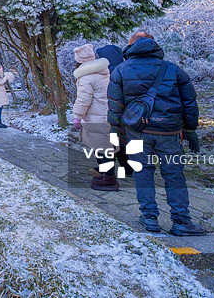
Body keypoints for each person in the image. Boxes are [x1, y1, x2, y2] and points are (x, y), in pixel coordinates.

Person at [108, 32, 206, 236]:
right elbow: (189, 102)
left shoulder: (120, 70)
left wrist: (115, 133)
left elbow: (115, 106)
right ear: (156, 48)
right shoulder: (172, 69)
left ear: (131, 48)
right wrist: (191, 130)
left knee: (142, 172)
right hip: (169, 131)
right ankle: (181, 221)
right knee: (174, 175)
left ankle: (149, 217)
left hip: (137, 132)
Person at [71, 44, 117, 191]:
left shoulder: (85, 77)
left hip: (95, 117)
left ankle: (109, 178)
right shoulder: (103, 71)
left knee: (102, 148)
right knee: (104, 145)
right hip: (107, 114)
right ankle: (103, 171)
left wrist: (77, 117)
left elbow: (83, 100)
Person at [94, 44, 134, 178]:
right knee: (122, 144)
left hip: (108, 113)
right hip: (128, 114)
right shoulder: (128, 70)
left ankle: (106, 171)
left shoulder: (104, 74)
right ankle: (129, 168)